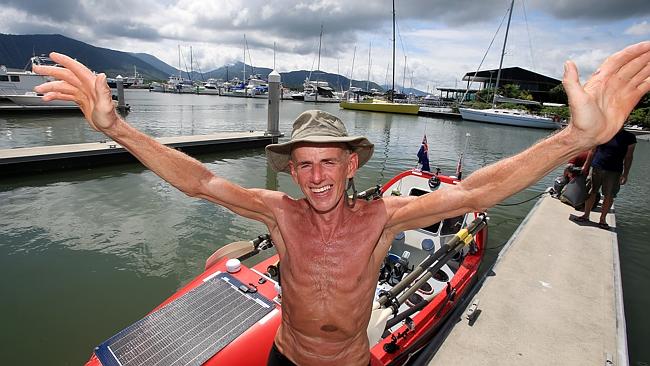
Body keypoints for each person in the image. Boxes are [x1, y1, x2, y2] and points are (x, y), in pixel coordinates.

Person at [33, 42, 650, 366]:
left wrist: (574, 138)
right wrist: (117, 127)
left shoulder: (384, 216)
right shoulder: (281, 213)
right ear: (292, 171)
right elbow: (199, 182)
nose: (317, 174)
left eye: (329, 160)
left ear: (353, 165)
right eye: (304, 163)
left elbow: (477, 191)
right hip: (285, 360)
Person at [576, 128, 637, 229]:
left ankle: (602, 219)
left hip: (614, 171)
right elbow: (592, 150)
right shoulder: (603, 130)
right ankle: (586, 215)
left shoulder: (630, 137)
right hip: (596, 166)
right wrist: (586, 166)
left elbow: (629, 157)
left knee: (609, 195)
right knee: (591, 191)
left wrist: (625, 174)